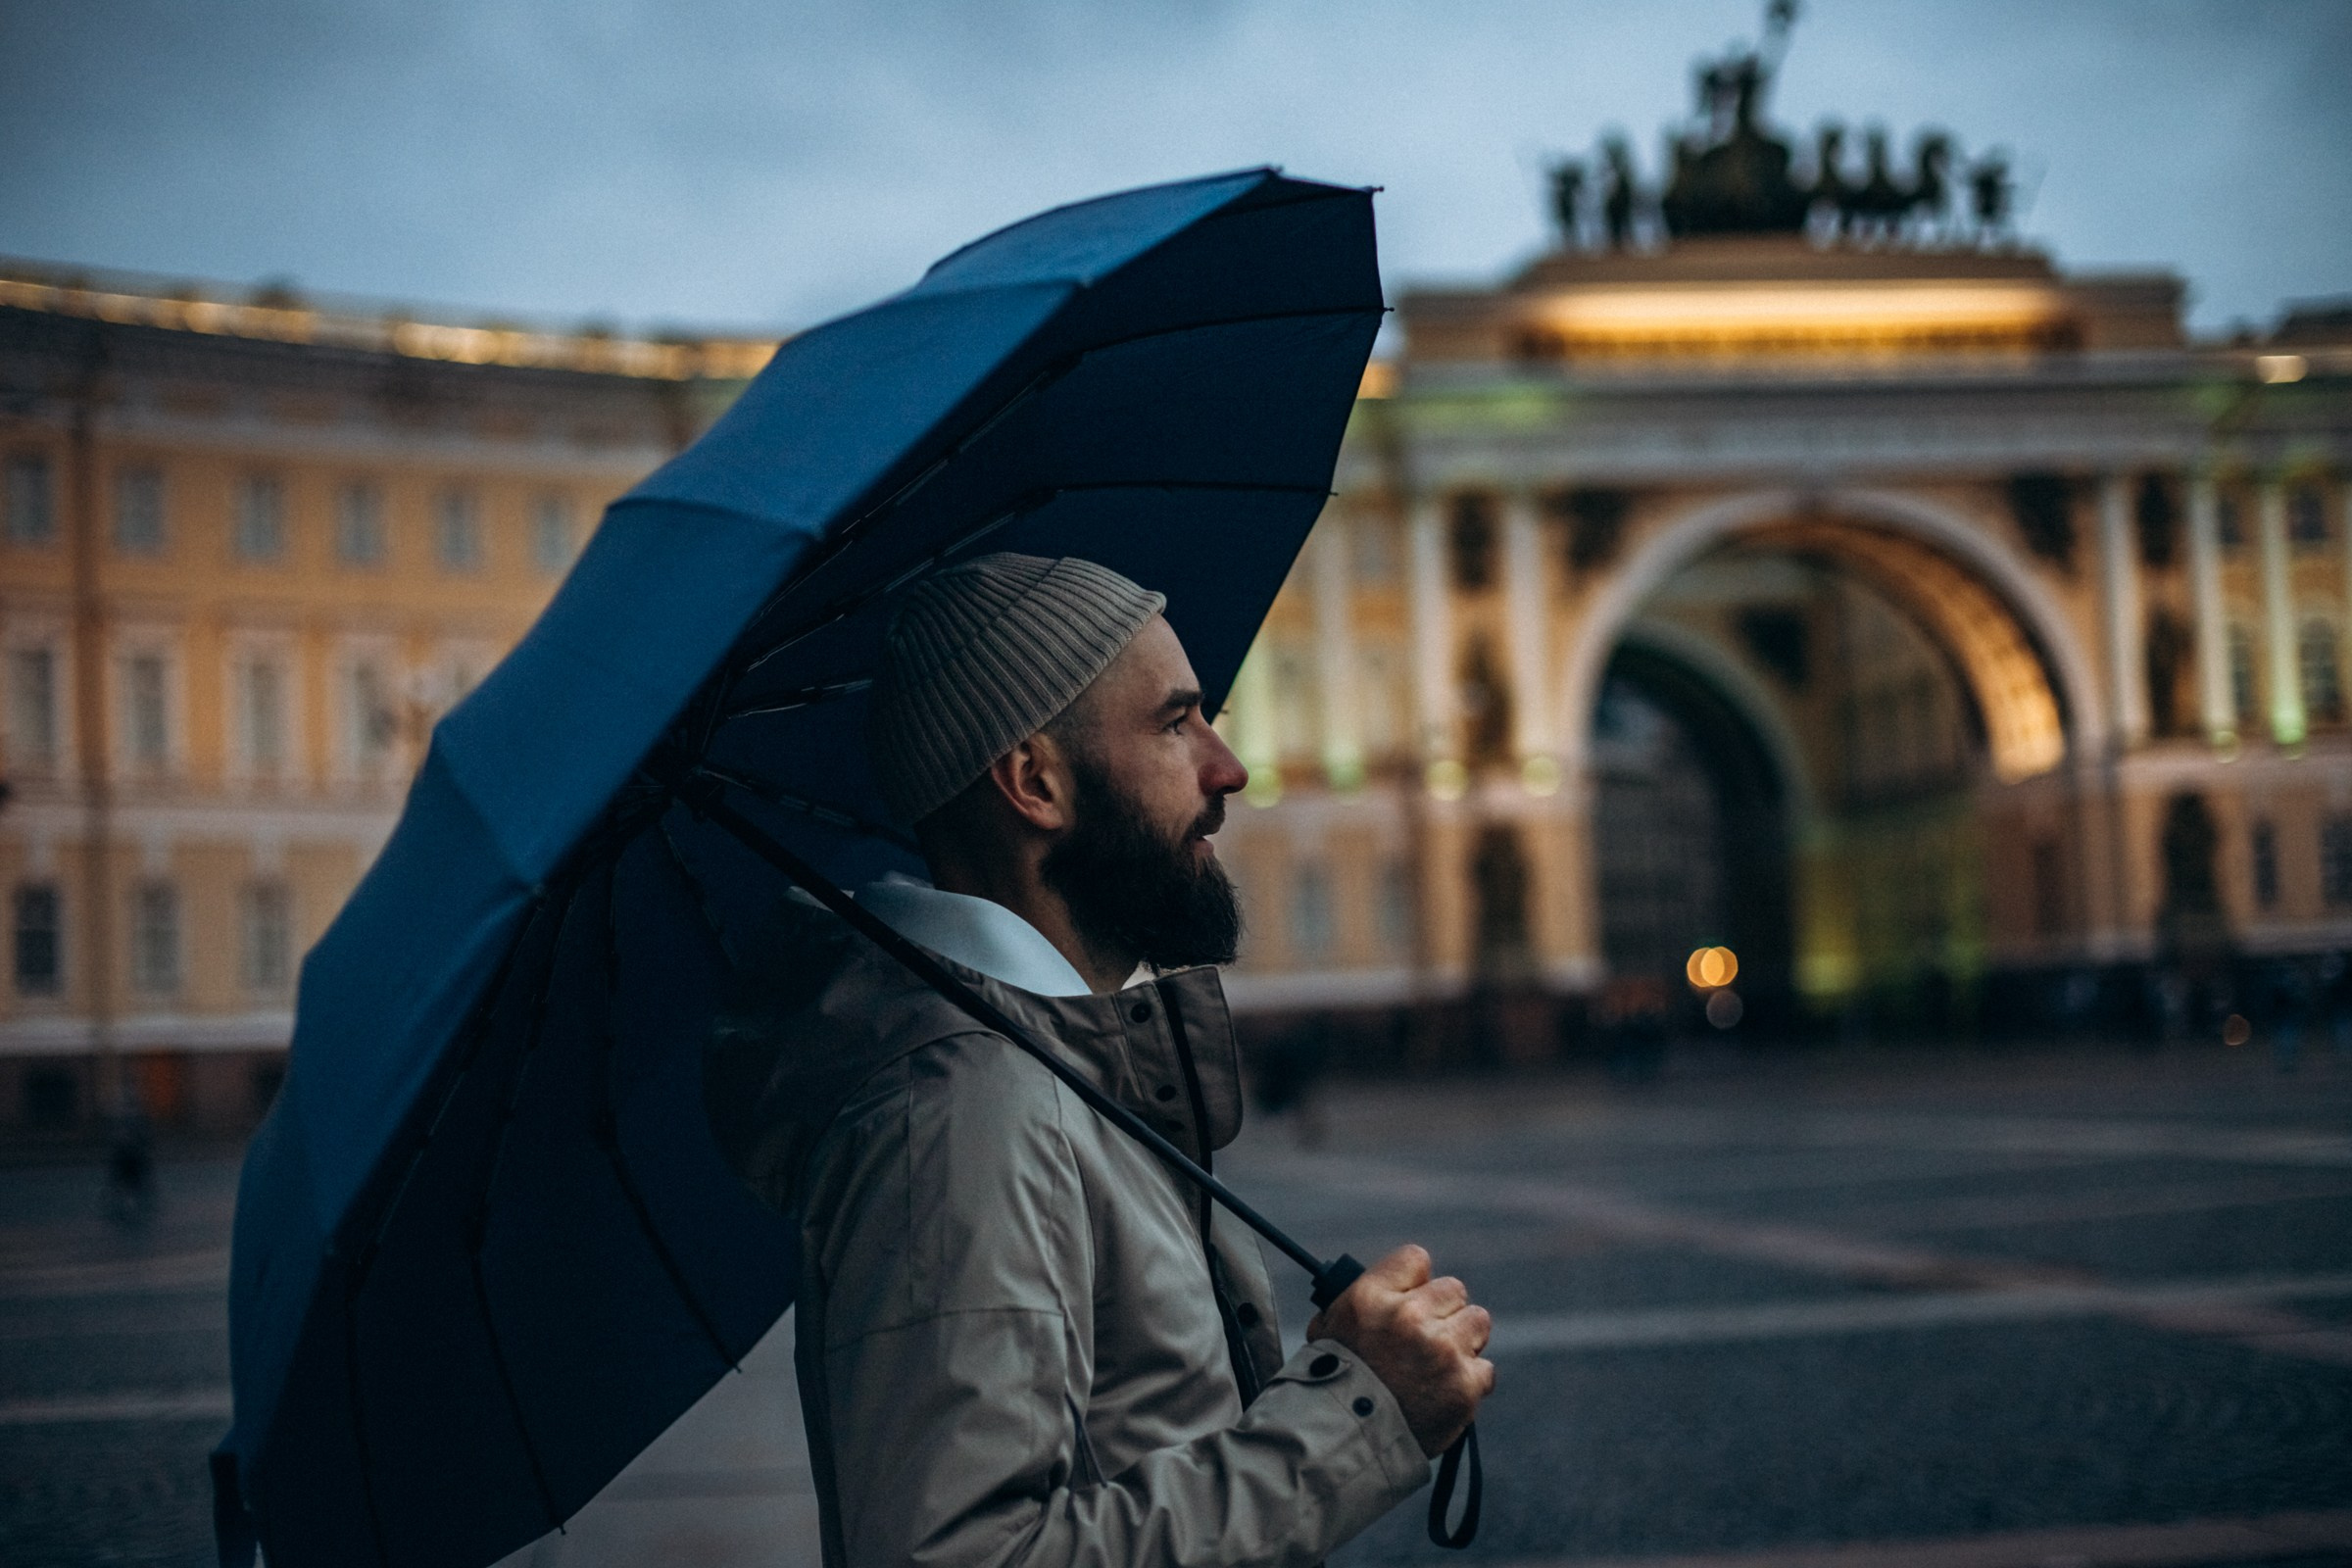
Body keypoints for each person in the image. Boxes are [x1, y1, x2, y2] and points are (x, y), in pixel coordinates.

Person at [707, 553, 1494, 1568]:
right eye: (1175, 724)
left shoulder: (1049, 1070)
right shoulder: (963, 1111)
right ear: (1035, 781)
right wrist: (1358, 1413)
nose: (1229, 766)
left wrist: (1338, 1380)